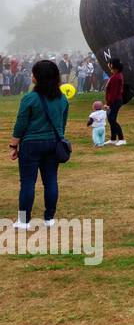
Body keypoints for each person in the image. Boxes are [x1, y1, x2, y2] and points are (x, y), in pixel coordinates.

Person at [9, 59, 68, 229]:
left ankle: (23, 220)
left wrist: (14, 146)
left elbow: (20, 125)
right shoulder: (62, 99)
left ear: (38, 77)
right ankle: (49, 218)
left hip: (31, 145)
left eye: (33, 72)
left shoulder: (29, 98)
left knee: (27, 182)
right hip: (53, 144)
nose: (31, 75)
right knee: (51, 181)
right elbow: (62, 125)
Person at [104, 58, 127, 146]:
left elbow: (113, 93)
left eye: (109, 64)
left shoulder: (116, 77)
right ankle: (113, 139)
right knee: (111, 119)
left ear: (113, 65)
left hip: (115, 101)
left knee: (112, 119)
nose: (108, 65)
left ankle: (121, 139)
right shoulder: (116, 75)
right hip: (114, 101)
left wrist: (108, 104)